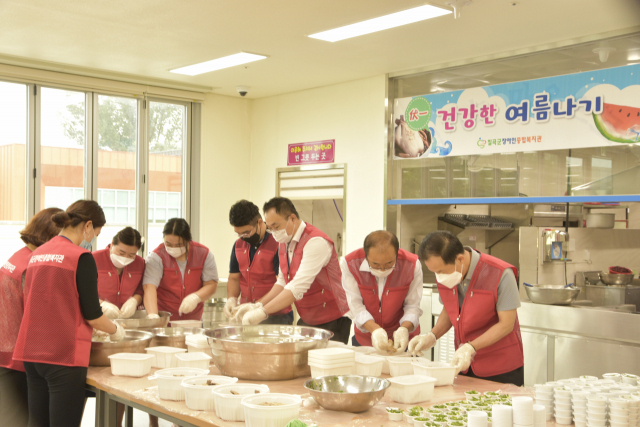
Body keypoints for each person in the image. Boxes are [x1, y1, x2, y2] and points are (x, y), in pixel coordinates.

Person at [13, 200, 125, 427]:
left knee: (38, 423)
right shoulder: (81, 257)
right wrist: (116, 330)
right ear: (88, 225)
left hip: (32, 353)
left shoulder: (37, 253)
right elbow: (93, 315)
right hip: (63, 356)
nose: (93, 239)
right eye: (96, 232)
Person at [408, 231, 524, 386]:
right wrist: (432, 336)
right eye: (434, 272)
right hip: (465, 365)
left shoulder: (500, 274)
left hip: (501, 368)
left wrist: (471, 347)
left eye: (441, 271)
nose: (439, 277)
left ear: (460, 259)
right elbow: (450, 311)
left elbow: (506, 324)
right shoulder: (450, 274)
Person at [236, 197, 352, 344]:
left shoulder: (315, 242)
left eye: (276, 226)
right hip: (308, 316)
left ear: (292, 218)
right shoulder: (284, 242)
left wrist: (263, 312)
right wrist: (258, 305)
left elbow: (297, 286)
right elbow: (283, 281)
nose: (273, 232)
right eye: (270, 228)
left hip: (333, 318)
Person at [0, 207, 63, 427]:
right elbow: (38, 315)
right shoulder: (31, 264)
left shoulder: (18, 256)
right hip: (16, 357)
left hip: (6, 348)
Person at [341, 230, 423, 353]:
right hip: (365, 338)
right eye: (375, 264)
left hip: (402, 340)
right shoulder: (351, 264)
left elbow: (412, 305)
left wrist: (403, 330)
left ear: (397, 253)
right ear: (366, 255)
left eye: (389, 263)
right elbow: (355, 305)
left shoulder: (411, 265)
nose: (382, 269)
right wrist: (375, 330)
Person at [225, 200, 293, 325]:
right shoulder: (238, 245)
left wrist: (257, 307)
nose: (243, 237)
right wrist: (232, 299)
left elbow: (282, 284)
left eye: (247, 232)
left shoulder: (278, 243)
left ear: (260, 222)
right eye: (239, 234)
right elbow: (234, 278)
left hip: (276, 315)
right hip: (246, 314)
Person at [143, 218, 218, 321]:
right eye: (168, 244)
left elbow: (211, 284)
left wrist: (195, 297)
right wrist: (153, 315)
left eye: (178, 245)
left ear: (188, 240)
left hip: (193, 320)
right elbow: (149, 288)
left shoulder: (203, 254)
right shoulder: (156, 257)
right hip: (165, 319)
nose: (173, 248)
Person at [93, 227, 145, 320]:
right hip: (98, 318)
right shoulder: (94, 259)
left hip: (127, 319)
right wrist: (101, 304)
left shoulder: (140, 263)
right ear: (112, 244)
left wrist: (134, 301)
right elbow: (83, 291)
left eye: (131, 255)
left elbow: (140, 291)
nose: (125, 258)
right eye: (121, 253)